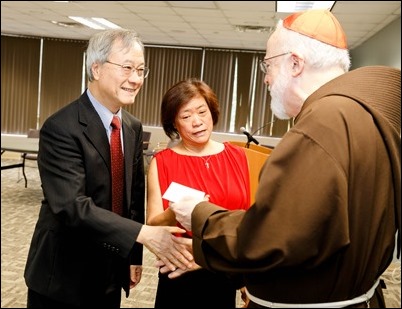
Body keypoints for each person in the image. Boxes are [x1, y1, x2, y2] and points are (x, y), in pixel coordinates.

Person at [168, 9, 401, 308]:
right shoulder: (366, 111)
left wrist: (200, 214)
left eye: (268, 66)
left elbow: (269, 241)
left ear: (295, 63)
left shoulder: (320, 127)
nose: (265, 80)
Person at [23, 29, 193, 309]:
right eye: (127, 68)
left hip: (111, 270)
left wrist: (133, 256)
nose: (136, 79)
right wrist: (144, 235)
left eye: (140, 70)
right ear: (97, 68)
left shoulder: (132, 127)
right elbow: (72, 206)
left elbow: (134, 197)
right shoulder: (61, 127)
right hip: (63, 277)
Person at [146, 78, 251, 308]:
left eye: (202, 112)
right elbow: (152, 225)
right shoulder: (162, 162)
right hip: (179, 272)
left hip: (225, 272)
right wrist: (175, 211)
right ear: (174, 123)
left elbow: (248, 222)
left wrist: (246, 277)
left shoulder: (238, 157)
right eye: (186, 116)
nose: (197, 122)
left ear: (212, 112)